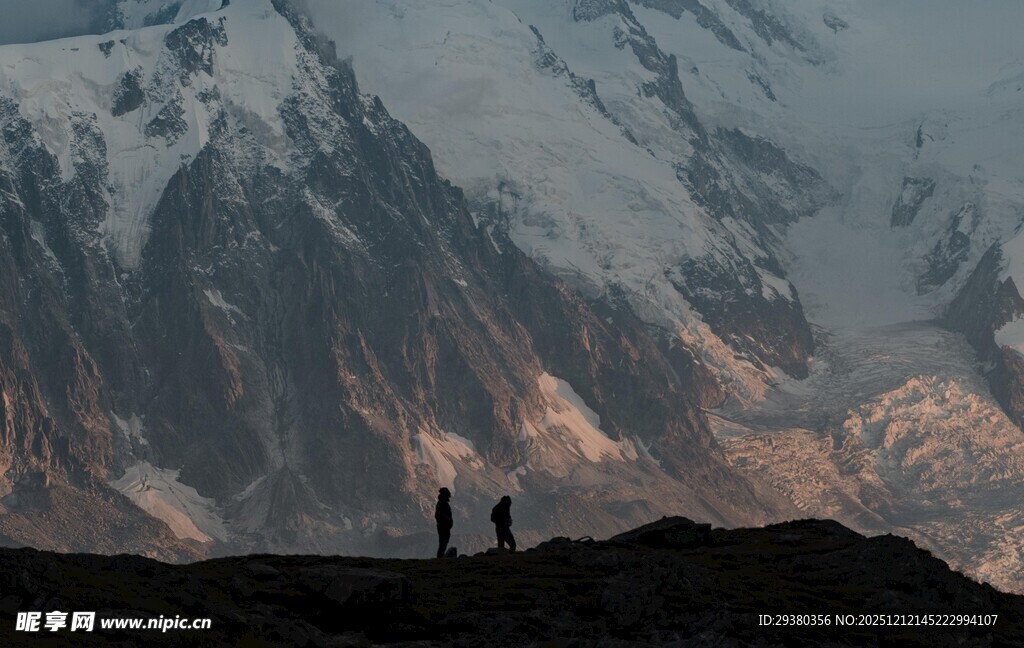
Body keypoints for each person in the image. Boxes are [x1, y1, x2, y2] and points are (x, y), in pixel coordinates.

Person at [434, 487, 453, 558]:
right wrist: (445, 521)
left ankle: (440, 557)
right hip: (443, 527)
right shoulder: (441, 504)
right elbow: (438, 516)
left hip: (445, 526)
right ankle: (440, 557)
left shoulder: (443, 504)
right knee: (443, 543)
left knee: (444, 542)